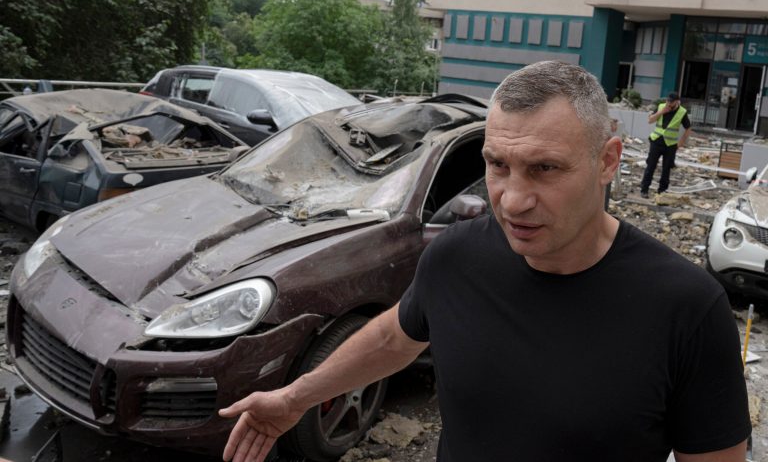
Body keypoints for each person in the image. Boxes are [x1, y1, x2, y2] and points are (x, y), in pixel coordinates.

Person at [219, 62, 750, 462]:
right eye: (498, 165)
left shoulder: (686, 308)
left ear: (607, 161)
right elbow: (392, 339)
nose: (513, 200)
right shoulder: (456, 256)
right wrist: (294, 399)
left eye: (544, 168)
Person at [639, 92, 692, 198]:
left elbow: (688, 128)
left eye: (671, 102)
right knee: (651, 165)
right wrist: (661, 112)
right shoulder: (661, 107)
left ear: (677, 102)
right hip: (657, 141)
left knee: (666, 168)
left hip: (670, 144)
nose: (668, 103)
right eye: (667, 101)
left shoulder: (682, 112)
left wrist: (681, 142)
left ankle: (662, 191)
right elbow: (650, 120)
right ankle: (644, 189)